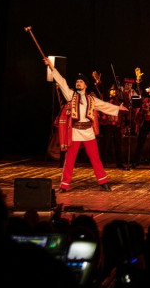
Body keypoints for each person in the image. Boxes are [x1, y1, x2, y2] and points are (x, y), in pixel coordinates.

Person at [44, 57, 128, 192]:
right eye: (77, 81)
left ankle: (103, 182)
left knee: (95, 158)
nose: (78, 83)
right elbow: (61, 81)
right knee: (69, 159)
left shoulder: (91, 99)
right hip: (75, 132)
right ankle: (64, 185)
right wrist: (51, 67)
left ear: (86, 85)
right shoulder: (71, 95)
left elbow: (104, 105)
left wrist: (118, 108)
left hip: (88, 132)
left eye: (81, 81)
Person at [97, 84, 126, 169]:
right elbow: (101, 94)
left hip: (117, 125)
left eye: (115, 90)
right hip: (108, 124)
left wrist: (123, 125)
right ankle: (103, 162)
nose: (114, 92)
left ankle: (119, 163)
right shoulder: (106, 100)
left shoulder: (120, 101)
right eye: (112, 90)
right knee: (106, 144)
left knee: (118, 144)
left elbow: (123, 113)